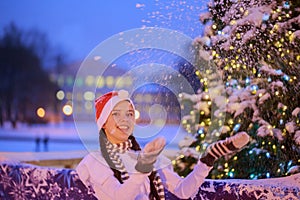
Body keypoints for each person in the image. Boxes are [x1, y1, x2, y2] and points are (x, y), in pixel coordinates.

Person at [76, 90, 250, 200]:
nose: (125, 120)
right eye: (116, 114)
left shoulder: (144, 156)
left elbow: (183, 191)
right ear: (103, 123)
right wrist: (143, 167)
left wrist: (208, 160)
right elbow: (119, 196)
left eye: (129, 114)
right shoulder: (95, 161)